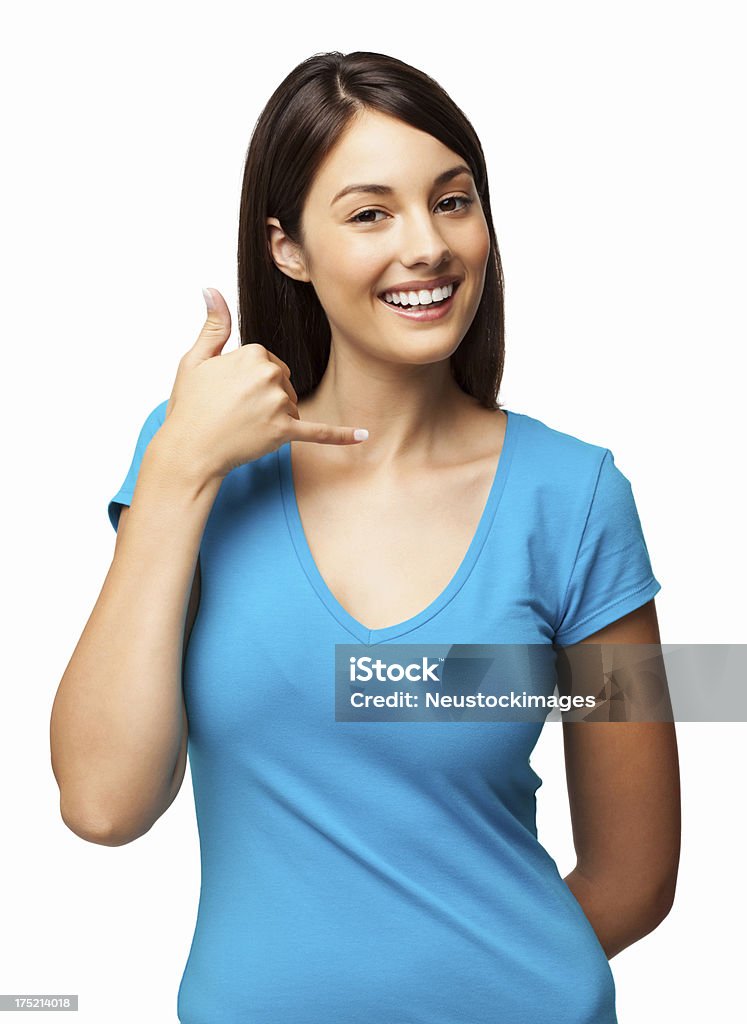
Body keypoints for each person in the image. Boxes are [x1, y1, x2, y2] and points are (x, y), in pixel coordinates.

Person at [50, 50, 680, 1024]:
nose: (426, 246)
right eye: (370, 212)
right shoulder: (191, 465)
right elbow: (102, 801)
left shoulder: (576, 497)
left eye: (453, 200)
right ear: (287, 246)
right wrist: (178, 471)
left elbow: (635, 873)